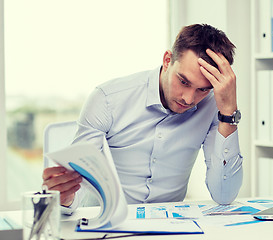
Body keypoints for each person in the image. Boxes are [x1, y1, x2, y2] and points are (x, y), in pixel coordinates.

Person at [42, 23, 243, 214]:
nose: (189, 98)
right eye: (183, 81)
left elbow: (224, 195)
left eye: (202, 89)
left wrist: (228, 113)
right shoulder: (108, 99)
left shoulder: (213, 106)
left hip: (172, 228)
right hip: (107, 224)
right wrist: (65, 197)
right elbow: (82, 178)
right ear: (167, 60)